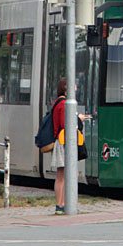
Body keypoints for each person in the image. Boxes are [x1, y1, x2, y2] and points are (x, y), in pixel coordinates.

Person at [50, 78, 69, 214]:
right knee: (61, 175)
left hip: (61, 141)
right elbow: (64, 124)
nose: (76, 88)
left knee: (61, 175)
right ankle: (60, 204)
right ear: (65, 87)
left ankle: (61, 204)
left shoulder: (57, 103)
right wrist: (78, 119)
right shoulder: (63, 104)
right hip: (63, 142)